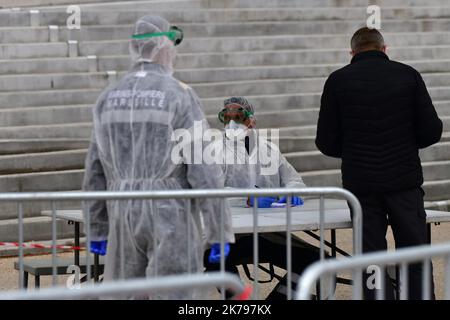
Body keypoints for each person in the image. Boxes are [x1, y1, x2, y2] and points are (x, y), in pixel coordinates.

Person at [83, 15, 235, 299]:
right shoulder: (178, 95)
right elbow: (203, 166)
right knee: (174, 294)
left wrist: (97, 226)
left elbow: (94, 168)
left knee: (124, 293)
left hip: (122, 211)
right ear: (163, 47)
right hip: (169, 211)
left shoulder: (108, 96)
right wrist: (218, 229)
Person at [315, 27, 442, 300]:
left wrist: (353, 150)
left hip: (361, 184)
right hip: (404, 181)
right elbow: (432, 131)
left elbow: (325, 141)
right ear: (385, 49)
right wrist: (404, 145)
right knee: (414, 250)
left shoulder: (337, 81)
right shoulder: (409, 75)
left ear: (352, 53)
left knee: (370, 253)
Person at [203, 97, 326, 299]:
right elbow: (210, 191)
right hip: (228, 234)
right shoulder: (214, 152)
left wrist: (292, 192)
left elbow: (294, 180)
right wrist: (246, 199)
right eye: (227, 117)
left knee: (316, 259)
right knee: (215, 262)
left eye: (239, 116)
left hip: (264, 234)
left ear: (251, 120)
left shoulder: (269, 150)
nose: (232, 122)